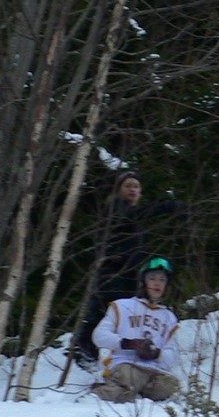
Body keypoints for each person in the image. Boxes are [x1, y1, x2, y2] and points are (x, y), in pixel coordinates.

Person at [72, 170, 185, 365]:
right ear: (119, 189)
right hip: (112, 271)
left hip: (128, 273)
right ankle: (83, 351)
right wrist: (166, 207)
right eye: (128, 186)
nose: (132, 190)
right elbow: (133, 216)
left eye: (136, 186)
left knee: (125, 313)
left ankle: (115, 352)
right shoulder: (116, 208)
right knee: (103, 311)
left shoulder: (132, 214)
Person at [90, 256, 181, 402]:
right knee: (130, 377)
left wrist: (156, 353)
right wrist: (127, 343)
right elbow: (99, 336)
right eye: (152, 278)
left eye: (162, 280)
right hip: (126, 365)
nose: (157, 283)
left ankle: (124, 391)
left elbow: (172, 356)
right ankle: (102, 394)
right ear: (143, 282)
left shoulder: (169, 318)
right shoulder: (122, 306)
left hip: (154, 371)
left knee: (170, 385)